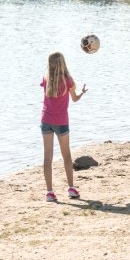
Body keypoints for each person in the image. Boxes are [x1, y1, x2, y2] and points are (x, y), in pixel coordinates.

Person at [40, 52, 87, 202]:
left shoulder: (46, 79)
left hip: (46, 120)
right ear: (63, 63)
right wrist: (81, 93)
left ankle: (49, 192)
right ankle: (71, 188)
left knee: (47, 157)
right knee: (66, 155)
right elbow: (74, 99)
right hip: (61, 122)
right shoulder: (68, 80)